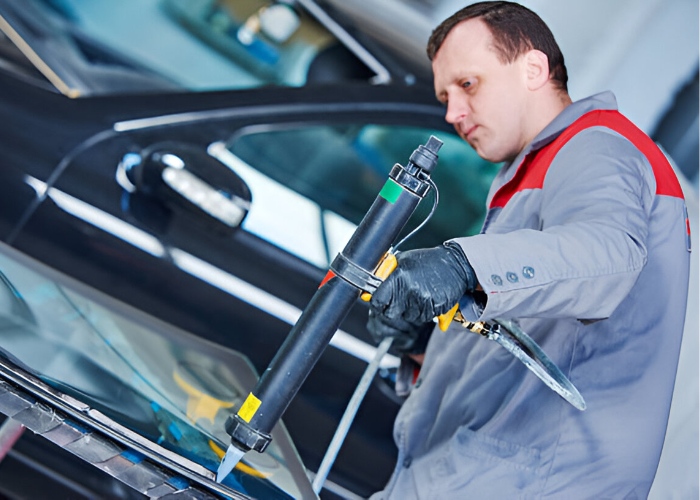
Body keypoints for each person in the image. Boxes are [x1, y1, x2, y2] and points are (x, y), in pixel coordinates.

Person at [367, 2, 691, 498]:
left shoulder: (599, 147)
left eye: (468, 85)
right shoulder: (536, 168)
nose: (452, 112)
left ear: (533, 69)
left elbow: (607, 255)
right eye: (445, 96)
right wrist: (420, 344)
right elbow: (532, 333)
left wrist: (461, 265)